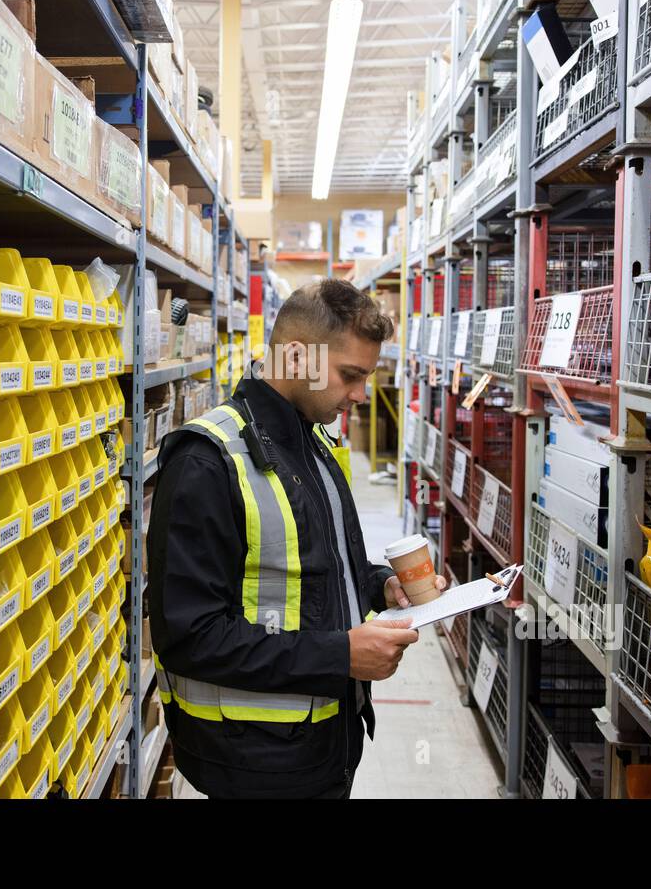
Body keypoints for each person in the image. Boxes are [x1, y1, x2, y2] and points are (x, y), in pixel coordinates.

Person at [147, 278, 445, 799]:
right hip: (251, 762)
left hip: (321, 747)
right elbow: (188, 638)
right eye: (350, 375)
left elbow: (313, 566)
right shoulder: (207, 461)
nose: (360, 394)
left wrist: (379, 586)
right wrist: (341, 656)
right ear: (294, 356)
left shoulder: (312, 442)